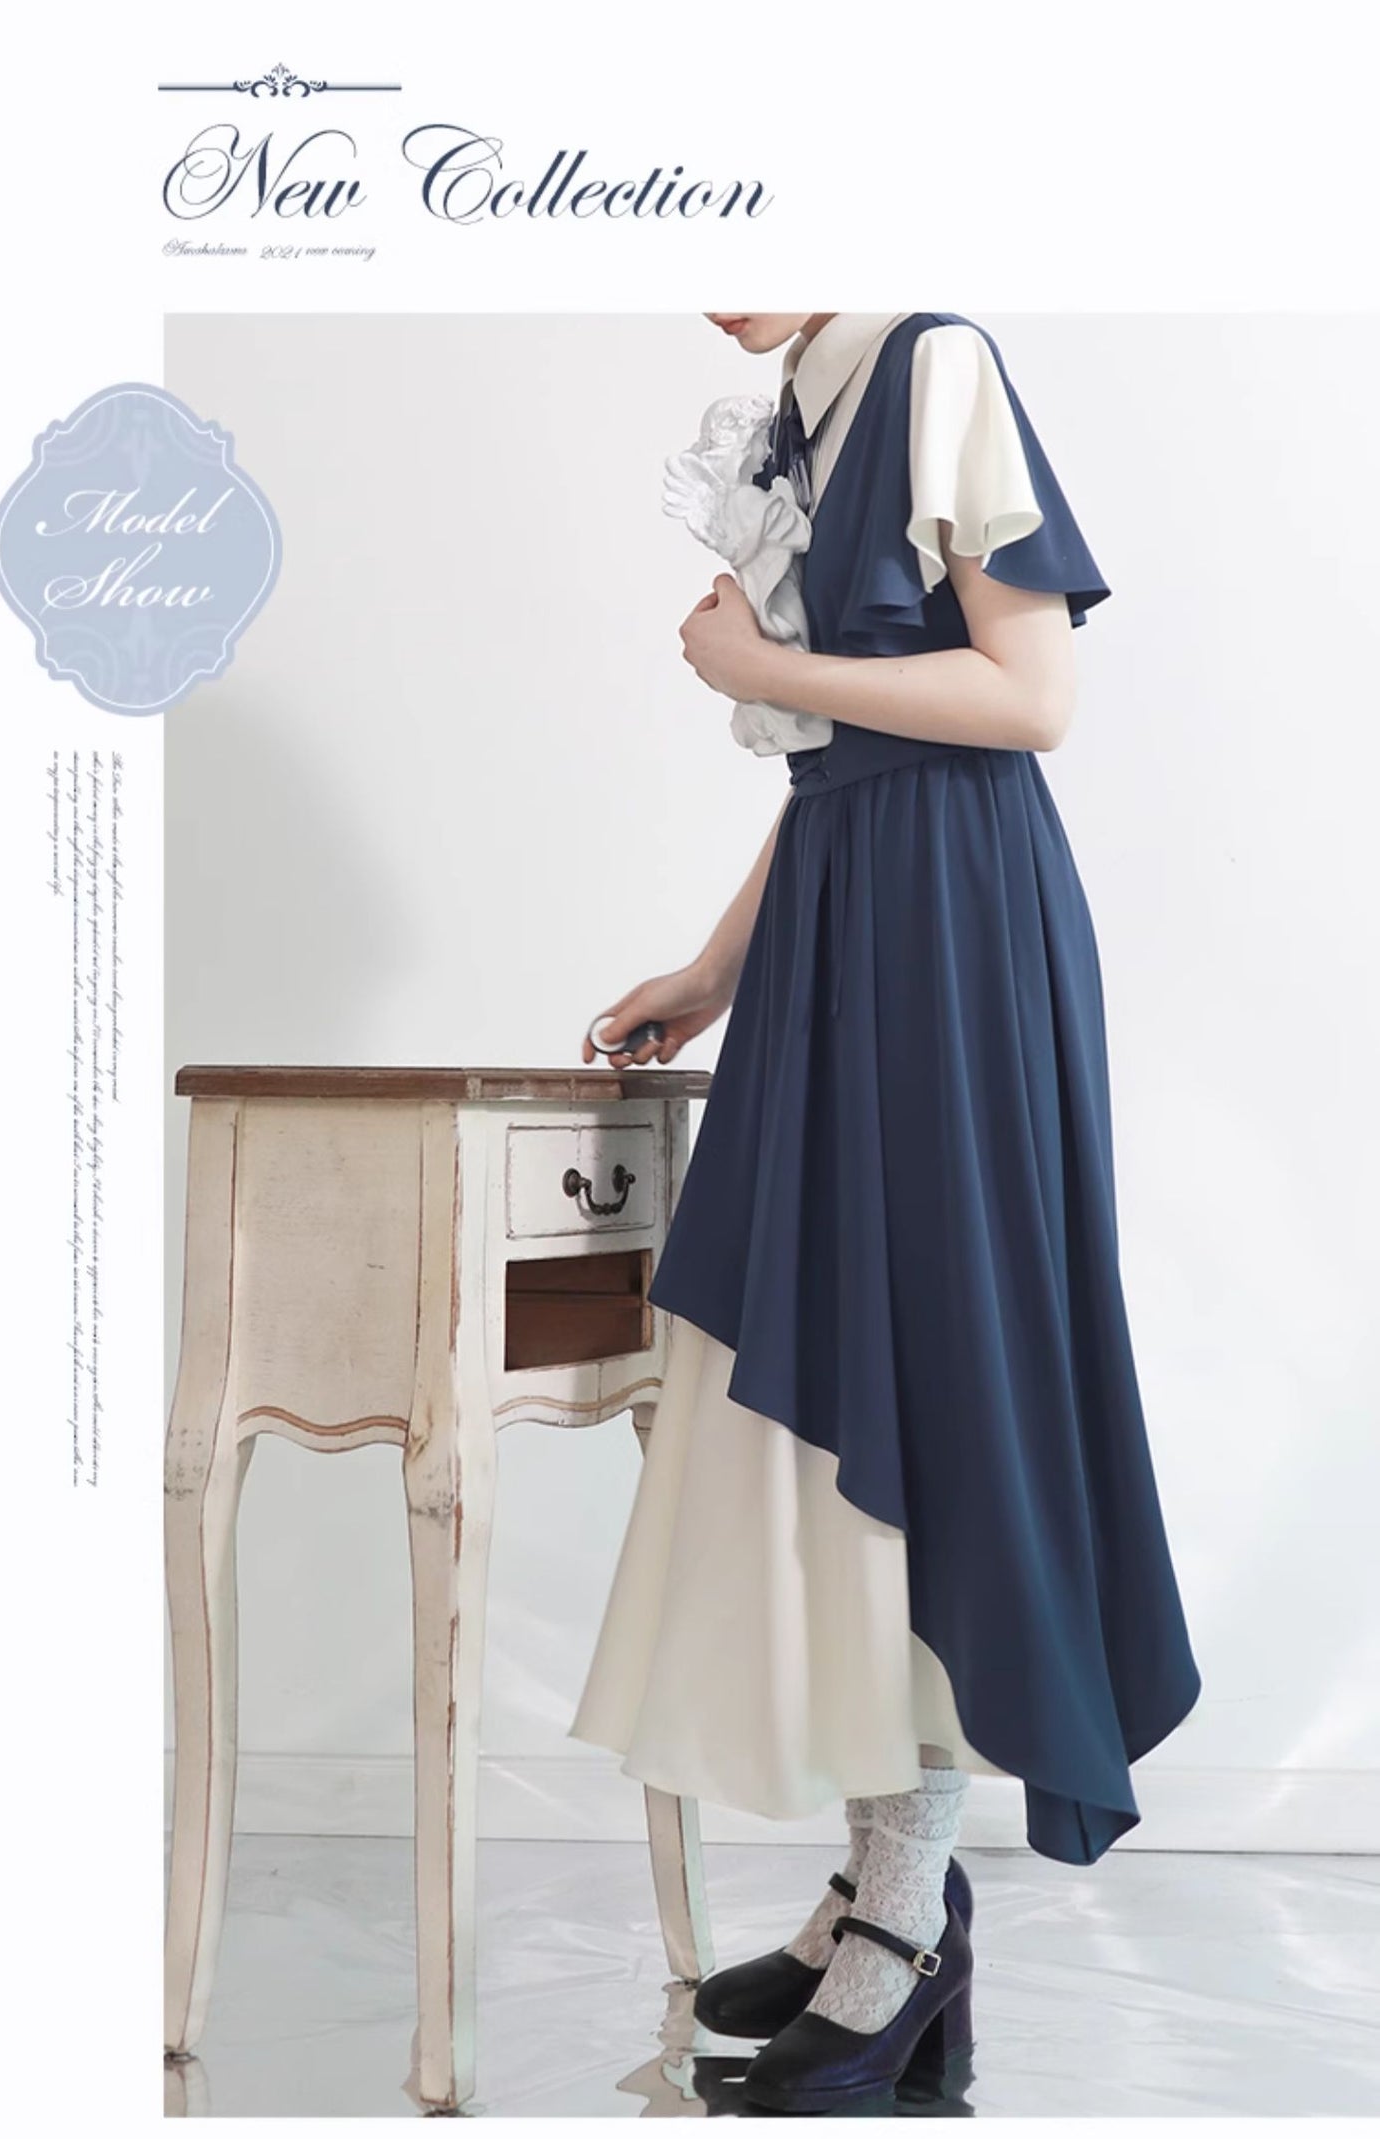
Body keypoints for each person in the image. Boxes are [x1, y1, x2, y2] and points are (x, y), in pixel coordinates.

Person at [568, 312, 1202, 2113]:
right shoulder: (810, 404)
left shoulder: (935, 364)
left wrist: (757, 659)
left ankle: (906, 1921)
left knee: (911, 1381)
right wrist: (712, 970)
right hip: (848, 912)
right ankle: (882, 1890)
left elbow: (1028, 697)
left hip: (950, 930)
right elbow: (840, 753)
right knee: (836, 1373)